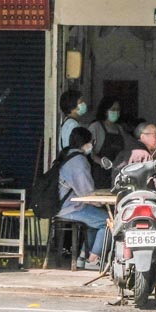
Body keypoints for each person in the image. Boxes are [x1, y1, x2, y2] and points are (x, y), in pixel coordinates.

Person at [56, 127, 107, 270]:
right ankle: (93, 259)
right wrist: (101, 201)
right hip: (70, 208)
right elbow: (86, 192)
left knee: (94, 220)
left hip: (63, 206)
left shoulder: (67, 154)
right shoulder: (79, 161)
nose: (93, 145)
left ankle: (83, 257)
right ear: (86, 142)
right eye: (92, 141)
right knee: (108, 221)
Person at [88, 96, 130, 188]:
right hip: (100, 174)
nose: (116, 112)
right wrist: (101, 162)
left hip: (117, 173)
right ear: (105, 110)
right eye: (113, 109)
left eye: (118, 110)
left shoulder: (119, 129)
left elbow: (126, 150)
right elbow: (88, 151)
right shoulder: (96, 127)